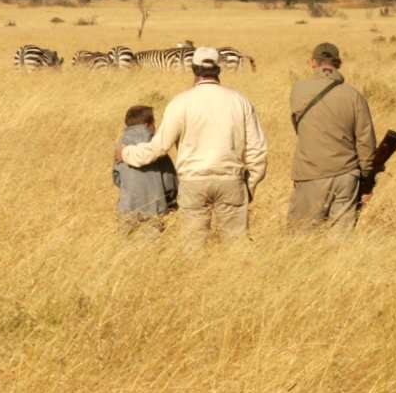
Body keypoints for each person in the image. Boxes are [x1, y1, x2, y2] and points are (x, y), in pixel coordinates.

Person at [118, 47, 268, 245]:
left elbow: (159, 147)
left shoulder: (180, 102)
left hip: (192, 182)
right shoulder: (240, 101)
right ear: (218, 70)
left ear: (194, 70)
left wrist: (126, 152)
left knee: (193, 248)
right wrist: (249, 185)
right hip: (231, 179)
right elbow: (258, 151)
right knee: (237, 246)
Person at [287, 42, 377, 234]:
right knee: (341, 240)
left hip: (310, 173)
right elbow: (365, 140)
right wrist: (367, 176)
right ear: (339, 64)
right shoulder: (354, 96)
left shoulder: (298, 90)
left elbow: (298, 127)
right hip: (347, 174)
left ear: (312, 63)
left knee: (301, 237)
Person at [113, 105, 177, 231]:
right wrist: (171, 202)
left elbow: (117, 177)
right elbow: (169, 181)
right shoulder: (156, 149)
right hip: (155, 209)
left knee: (125, 247)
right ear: (149, 124)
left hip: (127, 207)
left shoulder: (120, 147)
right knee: (153, 249)